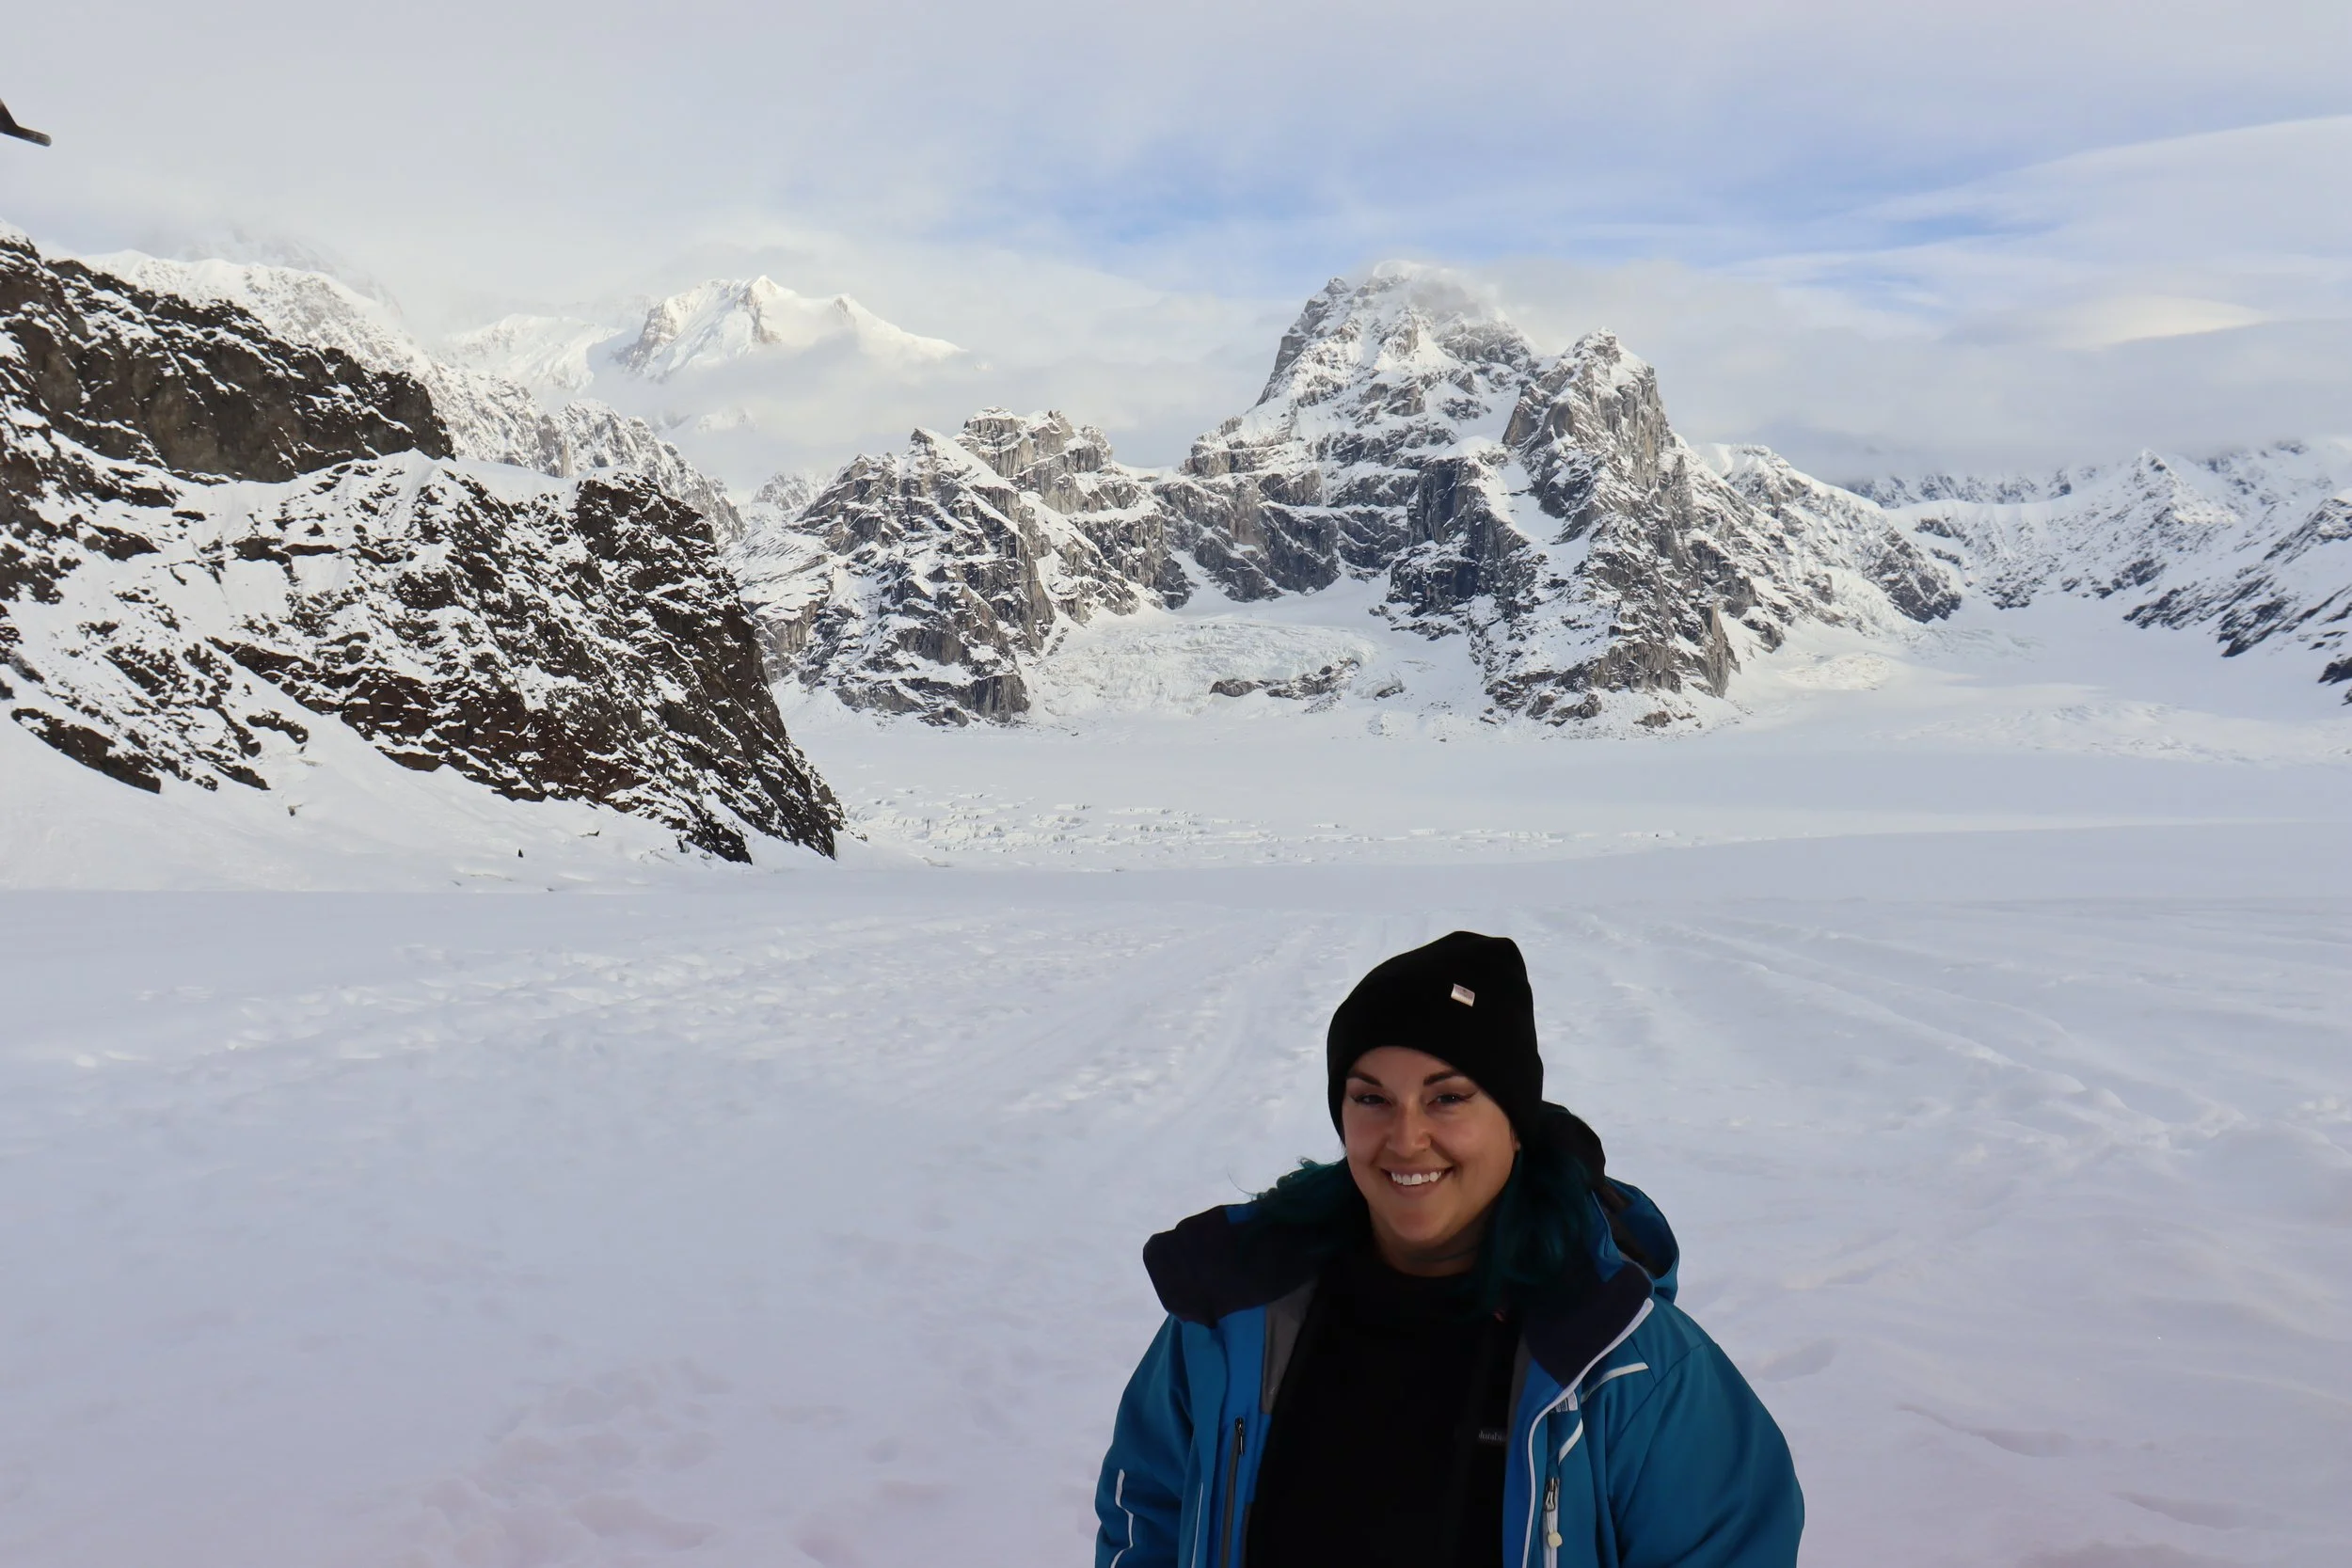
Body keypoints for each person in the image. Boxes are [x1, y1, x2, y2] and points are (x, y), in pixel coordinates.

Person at [1094, 931, 1801, 1568]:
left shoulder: (1630, 1365)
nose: (1405, 1139)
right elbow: (1148, 1508)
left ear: (1516, 1123)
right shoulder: (1236, 1315)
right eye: (1371, 1098)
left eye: (1448, 1098)